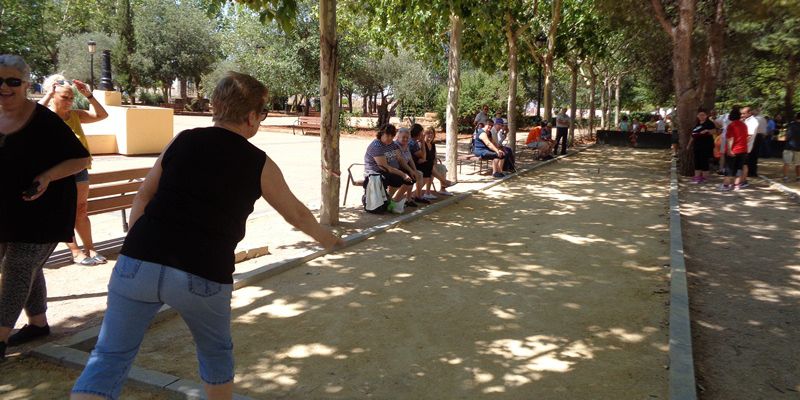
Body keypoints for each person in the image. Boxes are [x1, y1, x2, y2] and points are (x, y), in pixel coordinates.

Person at [70, 72, 341, 399]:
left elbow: (143, 196)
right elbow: (295, 213)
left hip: (138, 259)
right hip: (203, 270)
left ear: (215, 106)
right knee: (215, 353)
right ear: (252, 116)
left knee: (109, 357)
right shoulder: (259, 162)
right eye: (262, 113)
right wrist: (327, 239)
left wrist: (138, 249)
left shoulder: (182, 140)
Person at [0, 55, 91, 360]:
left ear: (26, 84)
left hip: (46, 209)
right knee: (23, 265)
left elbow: (81, 159)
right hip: (8, 210)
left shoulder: (45, 120)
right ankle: (38, 323)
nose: (5, 87)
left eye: (13, 81)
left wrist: (47, 176)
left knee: (17, 266)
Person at [39, 74, 109, 266]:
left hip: (80, 169)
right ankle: (75, 251)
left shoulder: (76, 115)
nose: (69, 101)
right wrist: (48, 94)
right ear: (53, 95)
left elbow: (102, 115)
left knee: (81, 210)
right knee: (65, 211)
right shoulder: (46, 117)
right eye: (64, 97)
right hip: (58, 172)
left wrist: (89, 96)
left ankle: (90, 248)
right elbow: (32, 114)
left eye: (71, 97)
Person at [364, 123, 415, 212]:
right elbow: (385, 167)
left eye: (392, 136)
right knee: (397, 178)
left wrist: (410, 170)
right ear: (381, 134)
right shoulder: (376, 146)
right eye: (387, 135)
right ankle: (384, 201)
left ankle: (391, 200)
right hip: (376, 172)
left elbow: (400, 159)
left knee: (411, 178)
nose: (390, 138)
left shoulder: (392, 144)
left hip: (390, 170)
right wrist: (403, 174)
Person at [395, 127, 426, 206]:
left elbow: (410, 158)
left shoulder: (406, 145)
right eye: (403, 137)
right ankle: (396, 200)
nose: (405, 139)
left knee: (418, 174)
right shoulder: (396, 145)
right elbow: (401, 161)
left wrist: (414, 170)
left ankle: (410, 198)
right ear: (398, 137)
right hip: (397, 168)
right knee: (411, 177)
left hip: (404, 167)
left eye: (407, 138)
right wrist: (412, 171)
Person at [720, 107, 748, 191]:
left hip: (734, 149)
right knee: (739, 168)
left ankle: (726, 185)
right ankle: (737, 185)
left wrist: (729, 149)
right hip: (743, 149)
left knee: (729, 168)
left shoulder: (731, 125)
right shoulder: (744, 125)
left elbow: (730, 138)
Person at [687, 108, 716, 184]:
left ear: (706, 115)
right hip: (697, 145)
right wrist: (689, 145)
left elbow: (714, 131)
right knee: (697, 161)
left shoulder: (709, 123)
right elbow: (692, 135)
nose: (701, 116)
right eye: (700, 115)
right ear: (697, 116)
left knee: (704, 161)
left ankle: (705, 177)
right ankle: (697, 176)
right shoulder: (697, 124)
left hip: (706, 145)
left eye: (703, 115)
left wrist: (707, 131)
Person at [782, 112, 800, 182]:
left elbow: (787, 136)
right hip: (799, 147)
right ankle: (798, 177)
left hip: (789, 146)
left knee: (787, 163)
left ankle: (785, 177)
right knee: (798, 164)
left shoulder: (791, 125)